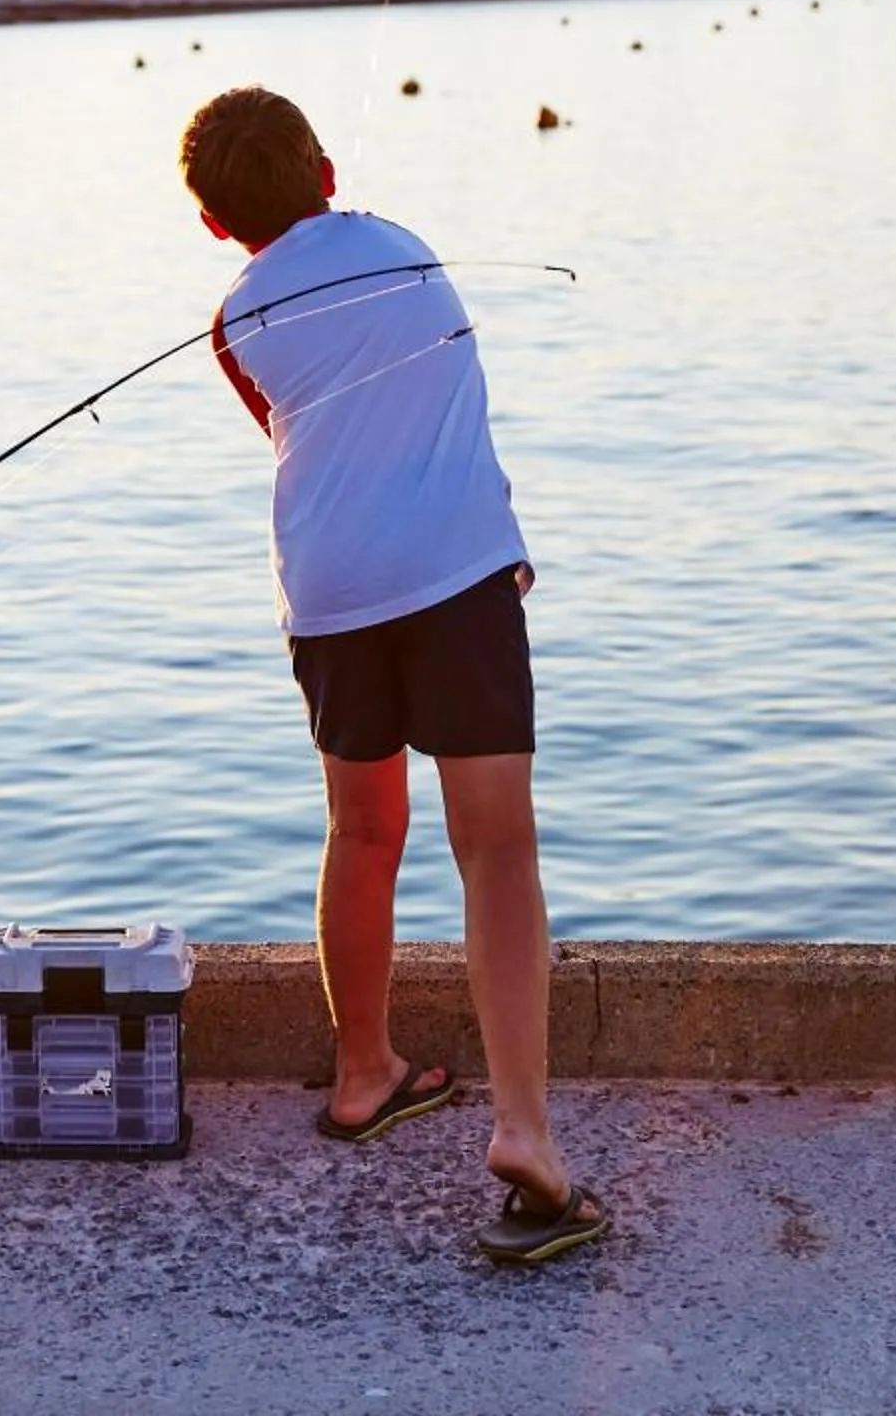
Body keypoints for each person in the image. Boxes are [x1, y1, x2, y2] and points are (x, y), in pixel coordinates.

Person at [178, 88, 607, 1264]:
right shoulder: (412, 249)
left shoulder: (230, 321)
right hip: (458, 574)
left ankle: (363, 1072)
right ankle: (524, 1131)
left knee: (362, 831)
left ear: (213, 222)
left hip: (331, 592)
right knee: (496, 846)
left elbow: (287, 426)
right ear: (326, 170)